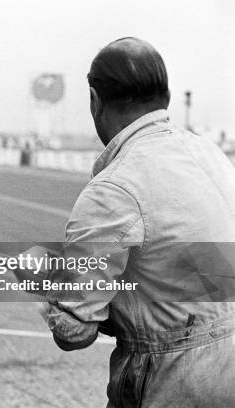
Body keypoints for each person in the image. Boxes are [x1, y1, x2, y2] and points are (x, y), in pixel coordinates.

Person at [37, 38, 235, 407]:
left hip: (176, 380)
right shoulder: (211, 154)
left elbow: (74, 331)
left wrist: (49, 285)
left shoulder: (113, 189)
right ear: (168, 96)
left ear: (95, 101)